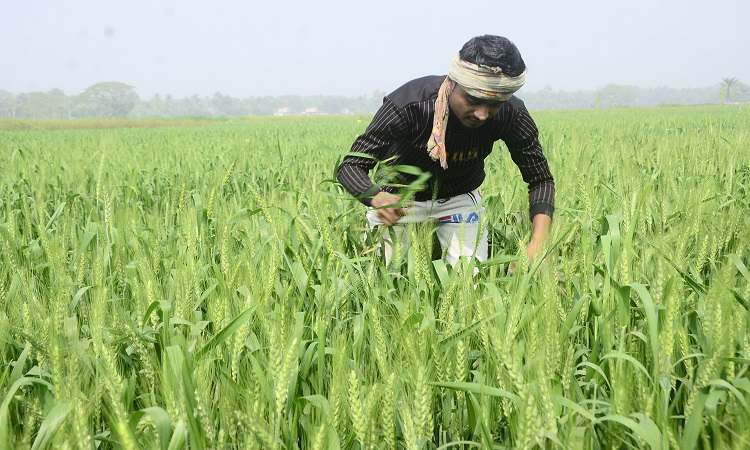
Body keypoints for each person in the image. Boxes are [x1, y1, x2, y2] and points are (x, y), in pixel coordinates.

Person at [336, 35, 555, 271]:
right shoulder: (409, 105)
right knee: (384, 282)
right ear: (453, 82)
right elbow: (350, 166)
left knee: (472, 285)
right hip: (398, 201)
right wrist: (377, 198)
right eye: (473, 99)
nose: (482, 114)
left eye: (495, 104)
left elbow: (540, 179)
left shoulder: (512, 114)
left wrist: (539, 243)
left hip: (460, 201)